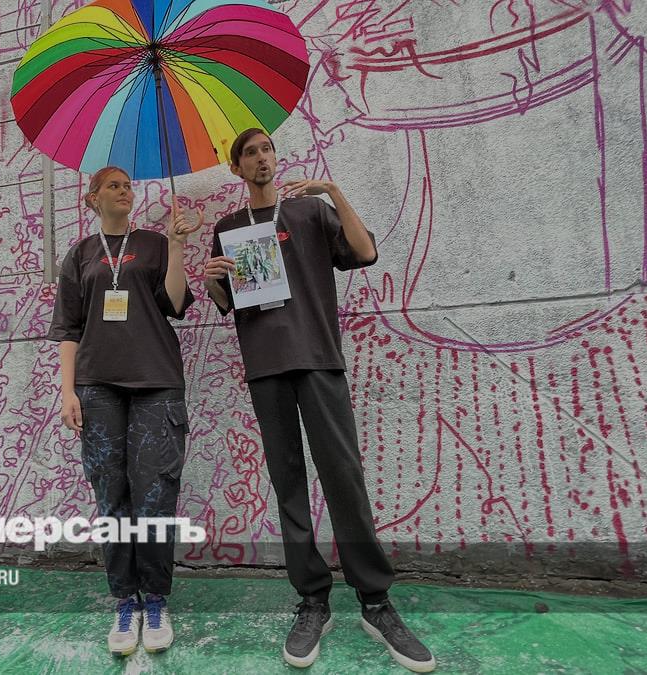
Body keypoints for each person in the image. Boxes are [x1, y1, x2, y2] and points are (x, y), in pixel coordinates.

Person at [203, 129, 436, 672]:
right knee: (288, 483)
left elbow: (365, 251)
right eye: (250, 153)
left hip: (319, 359)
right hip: (266, 366)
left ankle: (375, 601)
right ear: (237, 169)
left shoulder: (309, 211)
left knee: (343, 476)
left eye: (267, 149)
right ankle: (312, 600)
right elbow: (226, 302)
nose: (262, 158)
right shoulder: (229, 229)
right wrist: (212, 278)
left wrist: (333, 191)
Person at [49, 166, 201, 656]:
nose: (124, 191)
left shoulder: (153, 244)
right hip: (97, 388)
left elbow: (175, 303)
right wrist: (68, 392)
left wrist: (176, 246)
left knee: (155, 496)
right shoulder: (80, 255)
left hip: (156, 383)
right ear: (92, 198)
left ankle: (154, 599)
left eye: (128, 186)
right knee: (111, 497)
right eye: (113, 186)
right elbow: (68, 328)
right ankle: (125, 601)